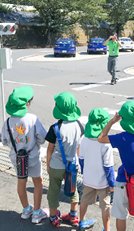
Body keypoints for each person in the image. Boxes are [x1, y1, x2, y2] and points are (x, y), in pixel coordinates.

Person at [98, 101, 134, 231]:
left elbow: (101, 138)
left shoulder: (122, 137)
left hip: (123, 180)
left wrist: (112, 121)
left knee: (121, 215)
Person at [1, 86, 48, 223]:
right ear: (27, 103)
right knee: (37, 181)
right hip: (32, 156)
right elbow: (42, 137)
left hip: (17, 158)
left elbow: (4, 141)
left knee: (21, 181)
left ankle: (26, 209)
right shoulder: (32, 119)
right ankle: (37, 212)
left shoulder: (8, 122)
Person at [45, 92, 84, 227]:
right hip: (72, 164)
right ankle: (73, 216)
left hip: (56, 164)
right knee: (72, 190)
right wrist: (77, 160)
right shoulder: (79, 125)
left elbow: (50, 149)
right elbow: (78, 145)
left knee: (54, 190)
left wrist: (48, 164)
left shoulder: (55, 128)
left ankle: (53, 217)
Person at [79, 108, 115, 231]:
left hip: (88, 179)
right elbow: (108, 166)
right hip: (102, 182)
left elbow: (81, 160)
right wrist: (112, 183)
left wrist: (85, 173)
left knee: (84, 200)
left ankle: (82, 221)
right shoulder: (106, 144)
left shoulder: (84, 139)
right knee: (105, 206)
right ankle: (106, 228)